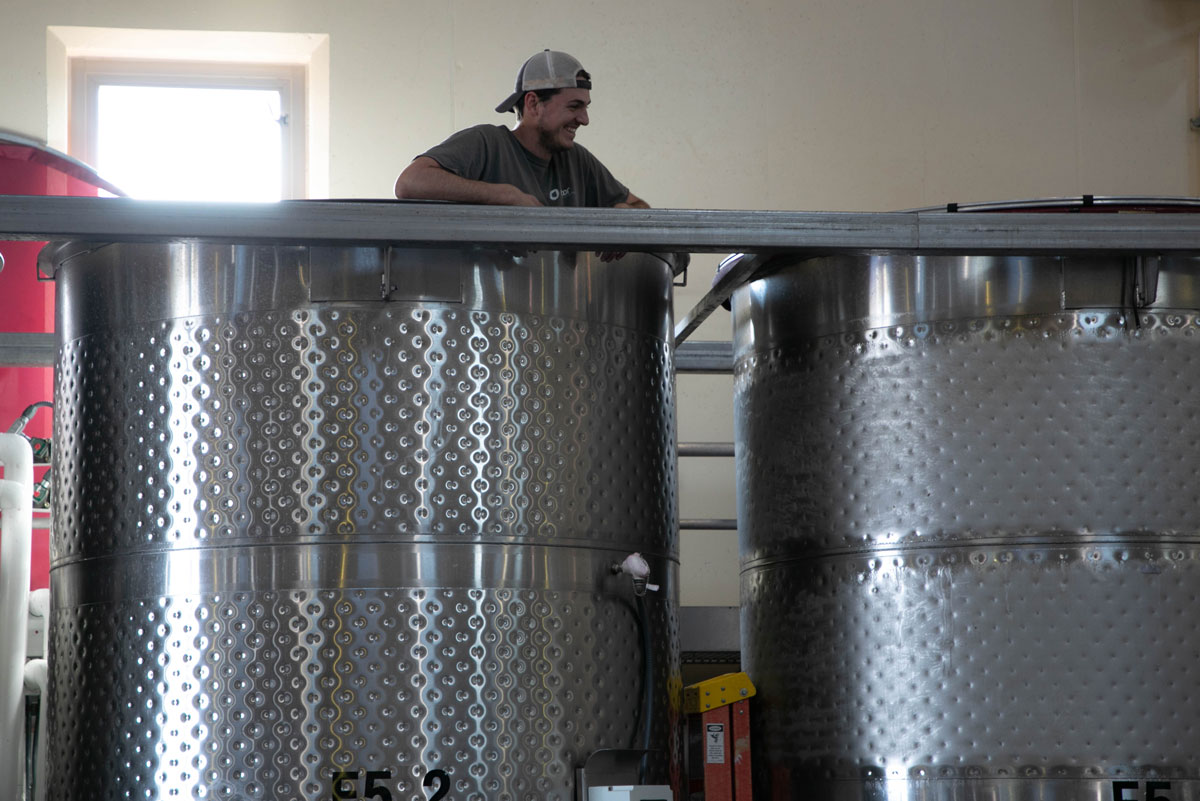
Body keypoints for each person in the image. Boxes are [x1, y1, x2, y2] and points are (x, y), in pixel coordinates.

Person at [394, 50, 649, 209]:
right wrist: (504, 195)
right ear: (533, 103)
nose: (584, 119)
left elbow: (640, 206)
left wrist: (626, 216)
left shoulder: (577, 161)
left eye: (586, 107)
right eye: (574, 106)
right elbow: (410, 182)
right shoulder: (487, 143)